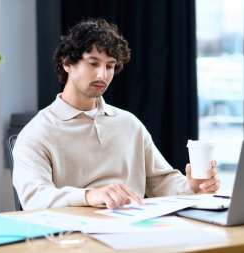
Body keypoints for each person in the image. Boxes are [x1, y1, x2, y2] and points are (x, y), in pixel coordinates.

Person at [13, 18, 220, 210]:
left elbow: (161, 182)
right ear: (67, 63)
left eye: (110, 66)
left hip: (136, 230)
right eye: (93, 63)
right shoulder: (37, 133)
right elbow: (34, 198)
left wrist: (193, 186)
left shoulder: (129, 124)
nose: (102, 75)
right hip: (76, 239)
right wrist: (89, 195)